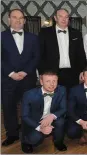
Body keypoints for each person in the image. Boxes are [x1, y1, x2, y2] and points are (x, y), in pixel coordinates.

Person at [1, 9, 39, 146]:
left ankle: (28, 134)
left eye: (21, 18)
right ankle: (11, 134)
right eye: (14, 17)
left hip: (27, 79)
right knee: (8, 107)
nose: (18, 20)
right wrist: (11, 73)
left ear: (24, 20)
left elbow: (36, 57)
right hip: (7, 79)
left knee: (28, 107)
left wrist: (25, 72)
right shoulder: (1, 36)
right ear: (8, 19)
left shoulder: (33, 38)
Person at [38, 8, 87, 93]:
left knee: (71, 100)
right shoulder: (45, 33)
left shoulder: (76, 33)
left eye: (66, 17)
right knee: (53, 100)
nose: (64, 19)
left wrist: (82, 71)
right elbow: (40, 54)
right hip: (52, 74)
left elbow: (81, 54)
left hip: (72, 73)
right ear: (55, 18)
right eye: (60, 16)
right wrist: (42, 73)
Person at [20, 72, 67, 153]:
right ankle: (26, 142)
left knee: (61, 121)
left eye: (54, 81)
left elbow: (64, 108)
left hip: (50, 118)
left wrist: (52, 116)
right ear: (41, 82)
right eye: (48, 81)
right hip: (35, 121)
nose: (52, 84)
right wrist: (40, 128)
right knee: (36, 139)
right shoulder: (29, 94)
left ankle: (58, 142)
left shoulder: (62, 90)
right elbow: (25, 116)